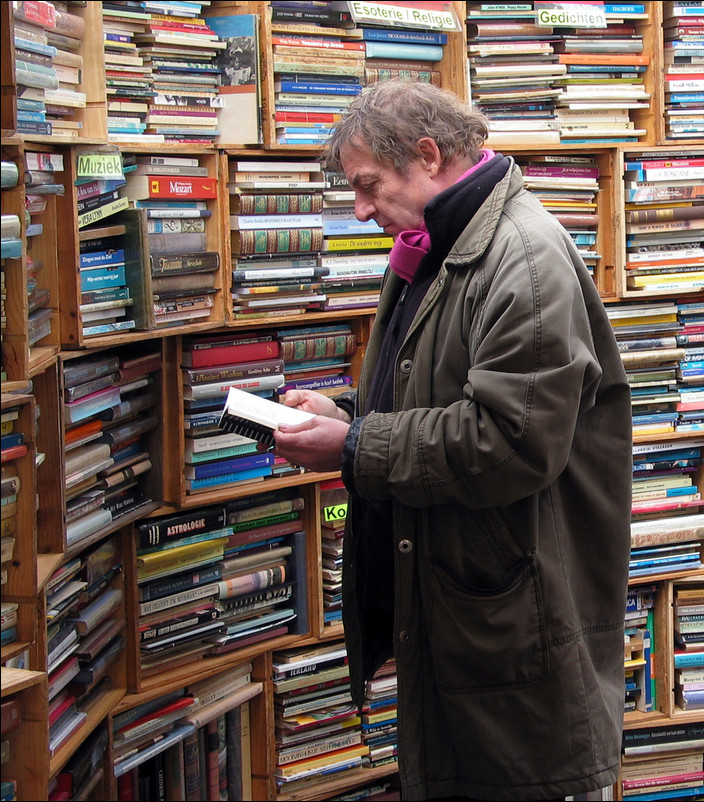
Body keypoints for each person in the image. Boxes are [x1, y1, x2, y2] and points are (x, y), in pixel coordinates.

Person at [272, 80, 633, 800]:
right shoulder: (440, 244)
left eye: (369, 185)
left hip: (513, 637)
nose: (361, 209)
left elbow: (508, 440)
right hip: (465, 619)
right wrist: (347, 412)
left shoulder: (524, 260)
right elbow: (438, 392)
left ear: (429, 157)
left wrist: (352, 445)